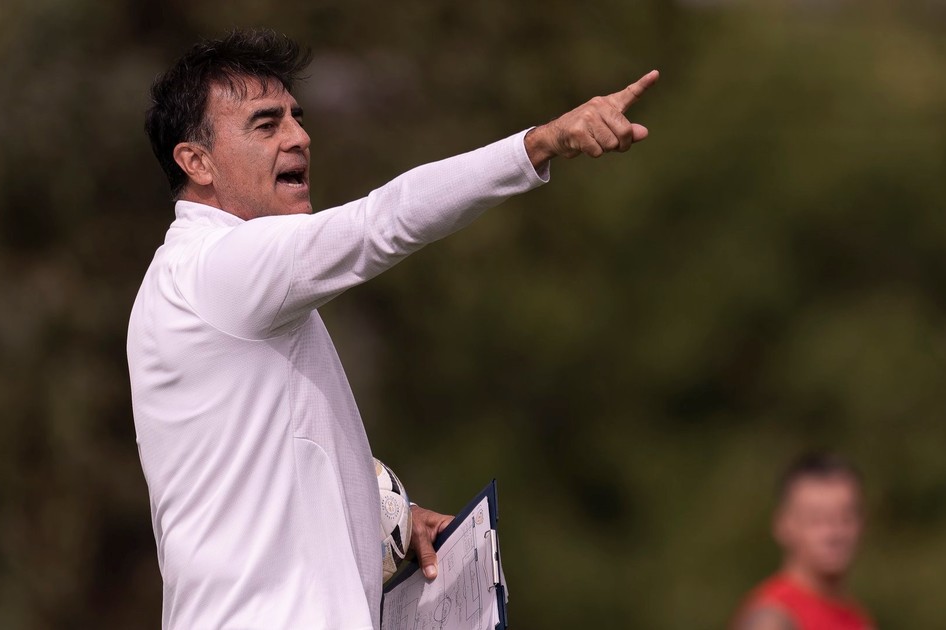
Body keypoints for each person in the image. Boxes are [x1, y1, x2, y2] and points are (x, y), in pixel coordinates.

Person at [126, 29, 657, 630]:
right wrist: (539, 144)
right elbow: (383, 221)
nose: (299, 137)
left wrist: (386, 521)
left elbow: (268, 460)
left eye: (296, 118)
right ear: (196, 162)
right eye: (266, 124)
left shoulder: (189, 282)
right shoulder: (219, 267)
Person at [732, 453, 874, 630]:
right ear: (783, 525)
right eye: (817, 519)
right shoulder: (772, 619)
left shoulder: (856, 617)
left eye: (845, 518)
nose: (834, 534)